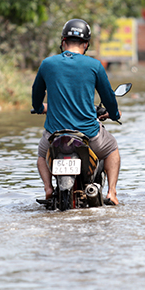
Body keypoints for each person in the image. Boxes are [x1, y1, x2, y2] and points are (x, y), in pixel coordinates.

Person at [32, 19, 122, 205]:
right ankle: (112, 192)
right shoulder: (95, 66)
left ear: (63, 42)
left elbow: (36, 96)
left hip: (54, 135)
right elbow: (109, 98)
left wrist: (41, 108)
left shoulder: (47, 64)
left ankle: (48, 188)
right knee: (112, 149)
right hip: (89, 134)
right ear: (86, 44)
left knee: (42, 155)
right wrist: (114, 114)